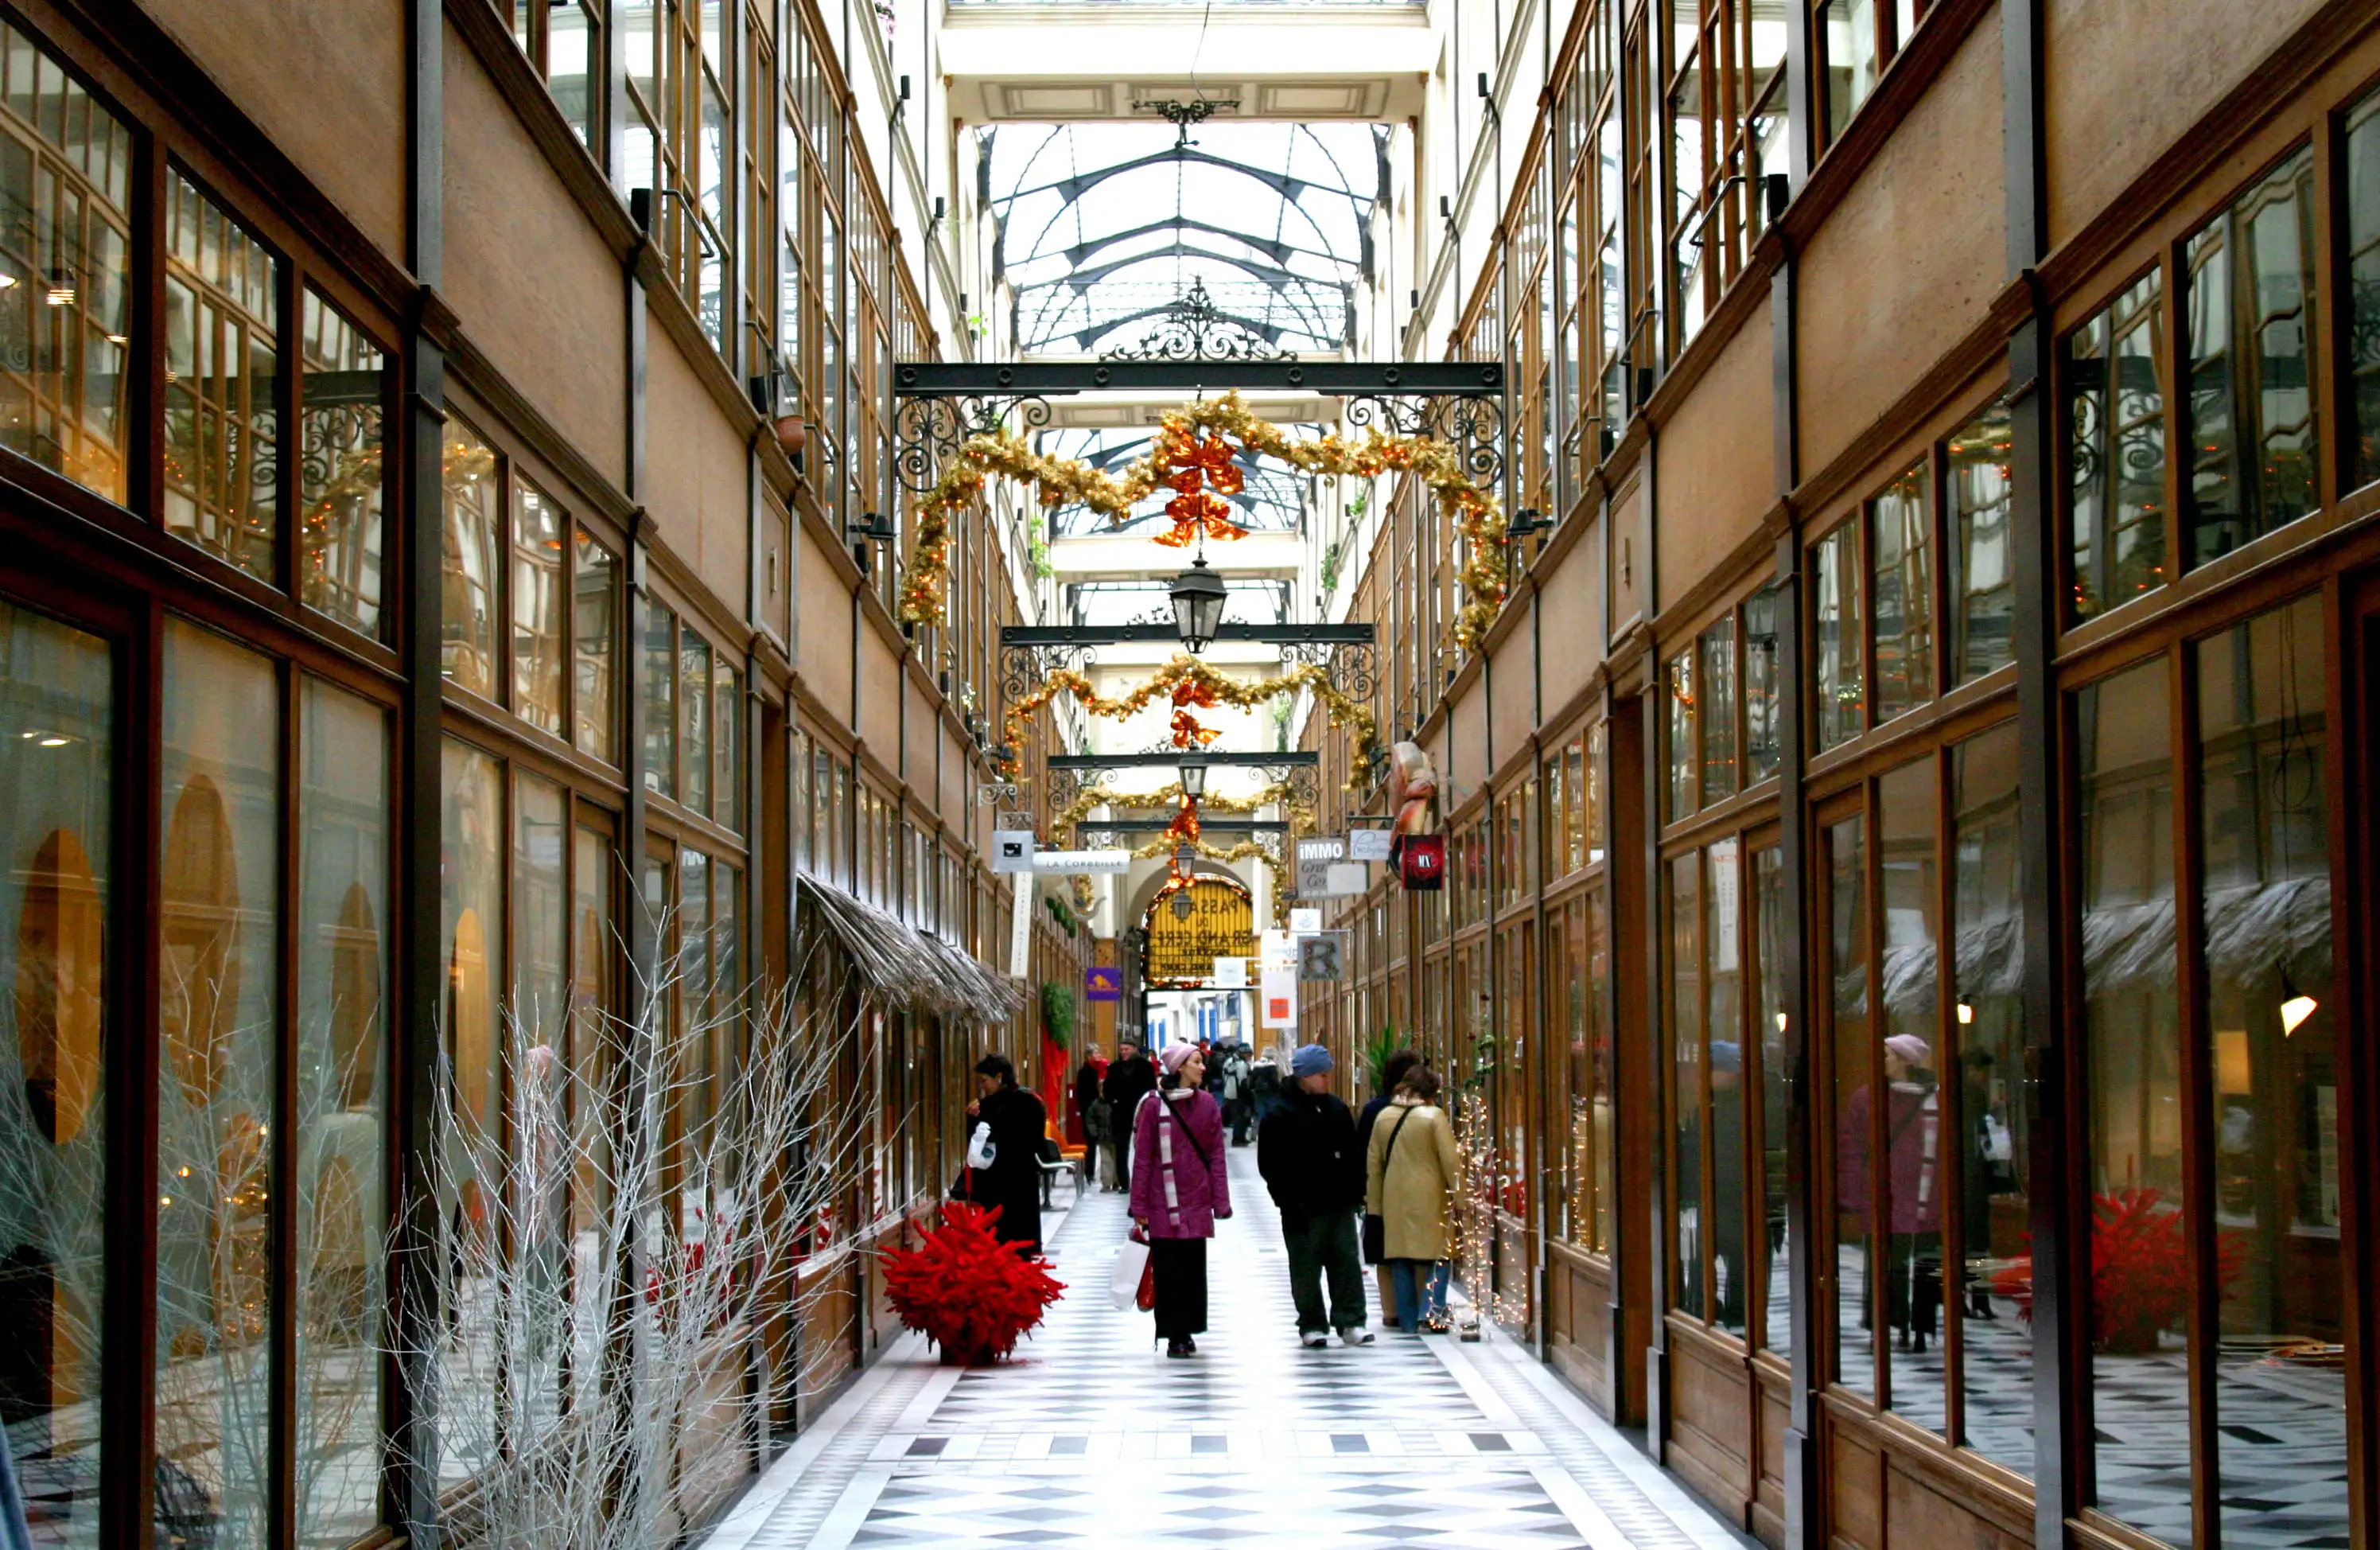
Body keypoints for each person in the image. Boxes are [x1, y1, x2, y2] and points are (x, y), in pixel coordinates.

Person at [1258, 1043, 1374, 1347]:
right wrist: (1287, 1198)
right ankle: (1311, 1323)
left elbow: (1353, 1152)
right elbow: (1270, 1163)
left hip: (1339, 1203)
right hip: (1302, 1207)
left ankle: (1351, 1320)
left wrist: (1356, 1190)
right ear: (1304, 1076)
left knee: (1346, 1263)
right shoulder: (1280, 1113)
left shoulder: (1336, 1108)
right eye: (1322, 1074)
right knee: (1306, 1266)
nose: (1327, 1079)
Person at [1130, 1043, 1231, 1358]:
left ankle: (1188, 1329)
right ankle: (1175, 1334)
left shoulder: (1208, 1105)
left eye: (1202, 1062)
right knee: (1169, 1269)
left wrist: (1221, 1201)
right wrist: (1139, 1206)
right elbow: (1144, 1157)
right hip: (1163, 1200)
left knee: (1192, 1269)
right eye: (1197, 1062)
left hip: (1196, 1198)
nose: (1203, 1068)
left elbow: (1216, 1155)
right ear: (1179, 1068)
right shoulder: (1152, 1106)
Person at [1367, 1066, 1460, 1334]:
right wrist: (1461, 1197)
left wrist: (1374, 1205)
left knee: (1401, 1258)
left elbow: (1374, 1165)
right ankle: (1432, 1313)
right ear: (1431, 1091)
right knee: (1439, 1255)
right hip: (1430, 1197)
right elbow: (1450, 1162)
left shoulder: (1384, 1116)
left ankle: (1407, 1320)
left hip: (1393, 1197)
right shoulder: (1434, 1117)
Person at [1354, 1046, 1420, 1326]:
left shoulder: (1373, 1109)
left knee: (1384, 1250)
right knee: (1416, 1249)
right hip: (1418, 1190)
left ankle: (1390, 1310)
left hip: (1381, 1191)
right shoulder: (1428, 1110)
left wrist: (1362, 1191)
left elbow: (1363, 1152)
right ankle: (1416, 1309)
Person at [964, 1053, 1049, 1253]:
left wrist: (972, 1119)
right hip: (1023, 1180)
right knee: (1021, 1243)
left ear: (999, 1077)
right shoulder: (1031, 1101)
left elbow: (976, 1145)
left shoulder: (988, 1107)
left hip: (995, 1184)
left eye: (985, 1080)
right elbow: (1038, 1141)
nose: (983, 1086)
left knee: (998, 1242)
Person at [1102, 1040, 1157, 1194]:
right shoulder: (1115, 1068)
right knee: (1121, 1148)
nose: (1123, 1052)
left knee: (1143, 1146)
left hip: (1141, 1111)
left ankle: (1144, 1181)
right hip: (1120, 1113)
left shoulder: (1145, 1067)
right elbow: (1107, 1090)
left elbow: (1151, 1089)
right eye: (1121, 1050)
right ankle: (1124, 1183)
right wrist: (1113, 1101)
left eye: (1126, 1049)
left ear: (1134, 1049)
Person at [1072, 1045, 1110, 1188]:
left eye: (1099, 1052)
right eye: (1096, 1053)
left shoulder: (1102, 1070)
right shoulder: (1085, 1072)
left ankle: (1101, 1173)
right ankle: (1089, 1172)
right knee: (1091, 1142)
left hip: (1102, 1111)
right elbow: (1083, 1095)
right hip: (1090, 1111)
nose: (1099, 1054)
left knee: (1102, 1142)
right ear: (1089, 1056)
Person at [1222, 1044, 1254, 1146]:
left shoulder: (1229, 1061)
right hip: (1239, 1095)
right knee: (1241, 1118)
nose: (1250, 1057)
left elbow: (1224, 1075)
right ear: (1244, 1054)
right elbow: (1242, 1081)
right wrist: (1249, 1093)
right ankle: (1239, 1139)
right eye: (1249, 1055)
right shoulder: (1241, 1064)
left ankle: (1238, 1138)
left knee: (1236, 1117)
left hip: (1229, 1092)